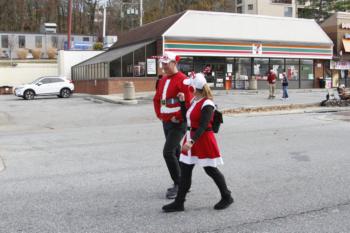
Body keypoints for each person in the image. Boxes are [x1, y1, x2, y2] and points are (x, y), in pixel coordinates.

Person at [162, 73, 234, 212]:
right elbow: (186, 117)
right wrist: (183, 102)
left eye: (190, 85)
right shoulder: (195, 100)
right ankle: (179, 203)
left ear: (195, 87)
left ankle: (227, 196)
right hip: (191, 137)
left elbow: (203, 125)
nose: (188, 87)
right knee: (185, 171)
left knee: (210, 170)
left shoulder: (207, 103)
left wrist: (192, 141)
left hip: (202, 140)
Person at [153, 52, 193, 199]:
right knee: (175, 153)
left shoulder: (183, 80)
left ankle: (179, 184)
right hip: (166, 122)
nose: (163, 67)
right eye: (162, 64)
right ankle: (184, 183)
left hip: (178, 123)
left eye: (166, 64)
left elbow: (188, 103)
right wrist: (160, 115)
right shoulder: (163, 79)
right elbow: (157, 99)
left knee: (168, 152)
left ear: (174, 63)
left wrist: (179, 117)